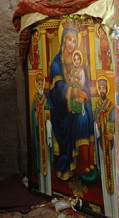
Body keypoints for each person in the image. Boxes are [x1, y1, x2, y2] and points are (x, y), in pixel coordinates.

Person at [49, 22, 95, 181]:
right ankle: (77, 164)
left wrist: (85, 94)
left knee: (88, 112)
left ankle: (87, 161)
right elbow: (58, 88)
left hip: (77, 102)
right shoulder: (57, 62)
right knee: (82, 118)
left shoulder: (78, 61)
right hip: (62, 107)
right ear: (63, 40)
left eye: (74, 41)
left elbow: (86, 83)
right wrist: (75, 93)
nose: (72, 44)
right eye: (69, 40)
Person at [94, 76, 117, 217]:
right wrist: (96, 126)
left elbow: (114, 122)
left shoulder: (111, 106)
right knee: (104, 172)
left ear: (107, 89)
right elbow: (95, 122)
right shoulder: (97, 106)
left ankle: (115, 208)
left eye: (104, 88)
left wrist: (113, 135)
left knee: (112, 172)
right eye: (100, 88)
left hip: (111, 145)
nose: (102, 90)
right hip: (102, 145)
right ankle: (107, 211)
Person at [31, 71, 53, 195]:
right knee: (40, 158)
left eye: (41, 83)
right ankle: (41, 189)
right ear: (36, 84)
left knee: (47, 164)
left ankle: (49, 190)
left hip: (46, 134)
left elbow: (49, 112)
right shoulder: (34, 100)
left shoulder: (46, 99)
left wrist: (48, 121)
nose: (40, 85)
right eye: (38, 83)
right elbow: (33, 116)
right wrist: (36, 115)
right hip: (39, 136)